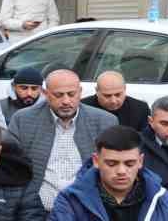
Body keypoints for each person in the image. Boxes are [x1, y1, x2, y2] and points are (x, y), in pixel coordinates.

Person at [8, 69, 115, 212]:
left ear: (80, 92)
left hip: (87, 210)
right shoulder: (23, 120)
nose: (66, 101)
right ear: (45, 94)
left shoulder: (104, 121)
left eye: (71, 94)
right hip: (38, 211)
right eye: (58, 95)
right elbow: (12, 166)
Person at [81, 70, 151, 132]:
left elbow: (145, 141)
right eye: (107, 96)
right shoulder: (82, 108)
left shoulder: (140, 109)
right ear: (97, 91)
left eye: (118, 95)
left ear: (125, 89)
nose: (113, 101)